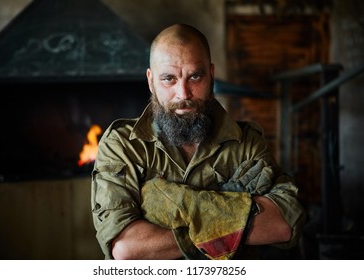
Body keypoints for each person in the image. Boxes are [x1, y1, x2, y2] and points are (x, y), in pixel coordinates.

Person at [91, 23, 306, 260]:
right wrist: (230, 207)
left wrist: (175, 210)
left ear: (211, 75)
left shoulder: (246, 142)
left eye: (194, 76)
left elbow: (283, 225)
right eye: (169, 79)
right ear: (151, 81)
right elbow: (127, 250)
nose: (183, 94)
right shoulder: (123, 145)